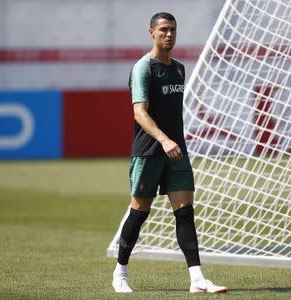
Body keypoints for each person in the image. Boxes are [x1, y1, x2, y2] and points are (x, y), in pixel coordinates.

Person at [111, 12, 227, 294]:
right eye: (163, 29)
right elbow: (139, 112)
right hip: (149, 151)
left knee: (185, 212)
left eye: (173, 29)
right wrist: (163, 139)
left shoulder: (178, 68)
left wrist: (172, 142)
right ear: (151, 32)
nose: (169, 34)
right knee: (140, 211)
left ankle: (197, 279)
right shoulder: (143, 68)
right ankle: (120, 273)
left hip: (176, 152)